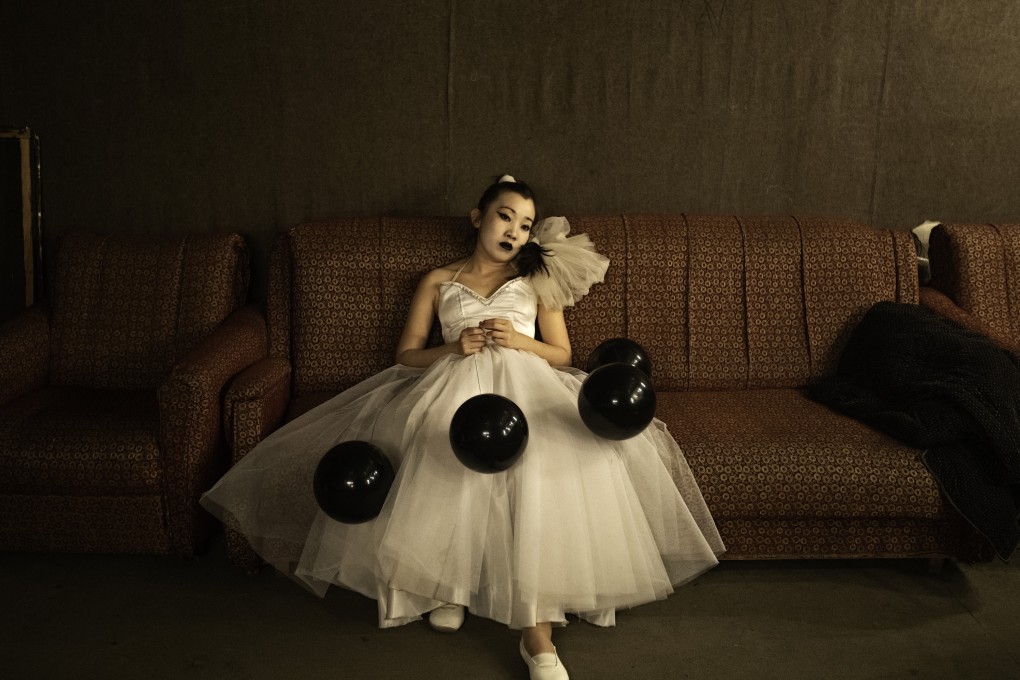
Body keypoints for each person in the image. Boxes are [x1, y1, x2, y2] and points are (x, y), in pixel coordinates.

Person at [201, 175, 724, 680]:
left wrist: (519, 342)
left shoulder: (534, 280)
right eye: (504, 216)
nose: (514, 231)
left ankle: (536, 631)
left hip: (529, 387)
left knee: (542, 463)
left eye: (525, 224)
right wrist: (455, 347)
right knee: (440, 452)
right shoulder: (438, 280)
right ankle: (447, 585)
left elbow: (562, 353)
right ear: (478, 218)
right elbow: (405, 355)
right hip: (454, 381)